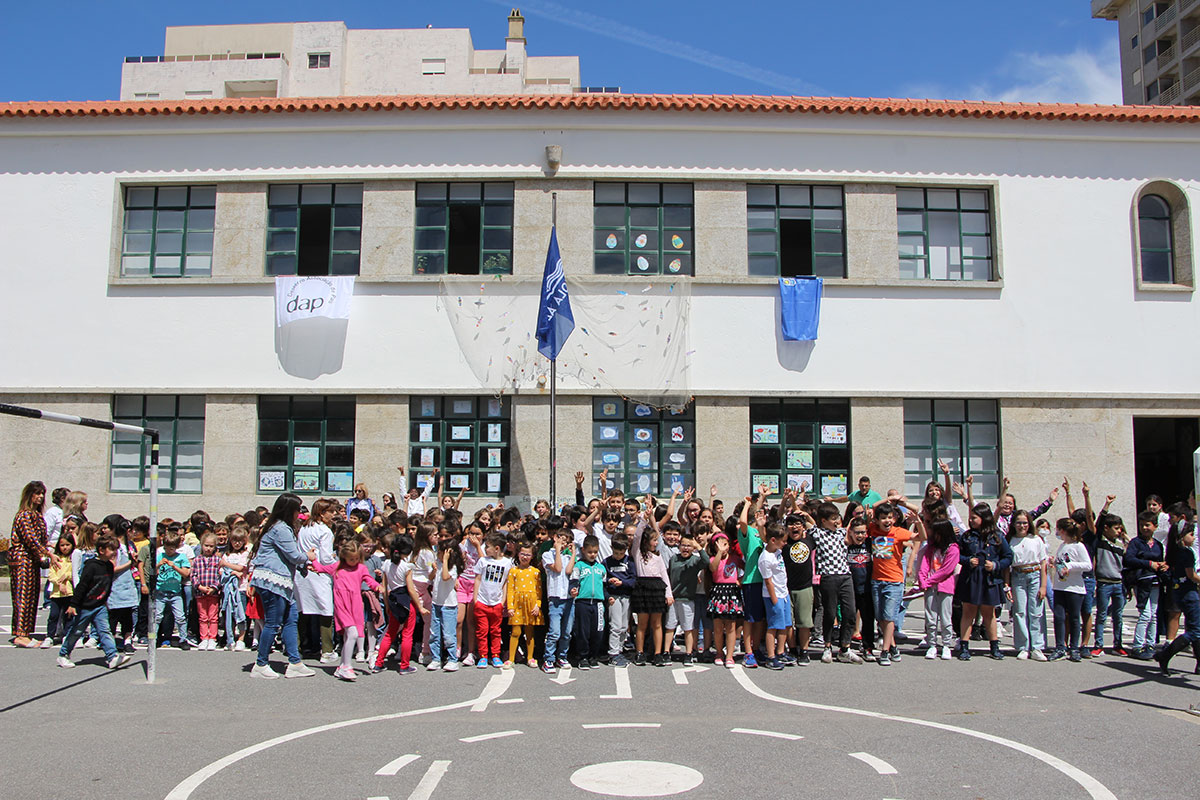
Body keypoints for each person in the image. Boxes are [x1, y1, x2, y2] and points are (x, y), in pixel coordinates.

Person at [249, 493, 318, 680]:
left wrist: (305, 563)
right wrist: (308, 557)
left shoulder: (279, 527)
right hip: (272, 580)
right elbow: (294, 555)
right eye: (297, 509)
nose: (300, 513)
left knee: (291, 618)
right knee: (273, 622)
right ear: (289, 510)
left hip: (281, 581)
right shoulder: (280, 528)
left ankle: (295, 662)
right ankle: (261, 663)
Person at [55, 534, 134, 670]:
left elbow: (108, 585)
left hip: (99, 606)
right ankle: (63, 654)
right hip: (85, 606)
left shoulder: (109, 566)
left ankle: (112, 656)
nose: (114, 552)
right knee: (77, 631)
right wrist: (73, 604)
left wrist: (106, 601)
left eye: (115, 549)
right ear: (101, 550)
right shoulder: (91, 566)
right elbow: (82, 586)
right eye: (111, 549)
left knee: (105, 630)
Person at [311, 539, 384, 682]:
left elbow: (369, 580)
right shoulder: (337, 567)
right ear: (344, 556)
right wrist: (313, 560)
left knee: (349, 636)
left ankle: (342, 666)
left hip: (355, 604)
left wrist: (378, 586)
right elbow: (321, 568)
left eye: (357, 558)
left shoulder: (361, 568)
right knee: (352, 633)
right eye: (351, 559)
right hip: (342, 604)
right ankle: (347, 666)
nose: (354, 561)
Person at [868, 502, 925, 666]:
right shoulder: (873, 529)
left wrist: (918, 522)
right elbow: (868, 517)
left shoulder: (899, 532)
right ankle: (892, 647)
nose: (887, 521)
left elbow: (922, 537)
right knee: (880, 618)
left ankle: (885, 652)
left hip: (894, 582)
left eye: (890, 518)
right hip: (876, 580)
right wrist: (886, 501)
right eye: (883, 518)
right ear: (877, 520)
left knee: (889, 616)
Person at [955, 503, 1013, 661]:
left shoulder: (997, 536)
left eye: (974, 517)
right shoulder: (967, 536)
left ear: (984, 518)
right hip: (971, 578)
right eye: (971, 517)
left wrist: (996, 565)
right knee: (968, 612)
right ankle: (964, 646)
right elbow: (956, 555)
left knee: (989, 613)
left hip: (990, 579)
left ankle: (994, 647)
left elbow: (1008, 556)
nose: (971, 520)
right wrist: (967, 561)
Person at [806, 503, 861, 664]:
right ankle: (827, 646)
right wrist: (795, 504)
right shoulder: (818, 533)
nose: (837, 521)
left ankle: (845, 648)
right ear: (823, 521)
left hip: (845, 576)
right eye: (833, 519)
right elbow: (809, 521)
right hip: (828, 577)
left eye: (838, 517)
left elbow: (854, 537)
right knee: (829, 613)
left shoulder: (842, 532)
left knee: (850, 612)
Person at [8, 481, 58, 647]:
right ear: (29, 495)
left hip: (33, 561)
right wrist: (47, 552)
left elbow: (41, 539)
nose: (40, 497)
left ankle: (25, 632)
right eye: (37, 493)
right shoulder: (24, 515)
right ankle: (21, 634)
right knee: (23, 595)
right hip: (22, 560)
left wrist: (50, 547)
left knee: (32, 596)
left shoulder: (36, 515)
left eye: (42, 493)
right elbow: (30, 539)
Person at [374, 534, 425, 676]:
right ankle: (404, 665)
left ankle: (378, 663)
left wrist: (387, 604)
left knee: (390, 633)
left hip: (393, 600)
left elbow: (384, 587)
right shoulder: (406, 567)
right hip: (405, 602)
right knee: (407, 634)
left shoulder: (386, 564)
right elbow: (410, 589)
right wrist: (419, 607)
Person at [295, 499, 337, 663]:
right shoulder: (325, 531)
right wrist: (336, 562)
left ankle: (297, 647)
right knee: (325, 610)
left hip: (303, 572)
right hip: (319, 573)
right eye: (331, 512)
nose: (333, 515)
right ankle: (326, 650)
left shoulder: (304, 528)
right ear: (321, 513)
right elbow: (326, 557)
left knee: (303, 610)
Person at [1155, 522, 1200, 675]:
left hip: (1180, 592)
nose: (1194, 538)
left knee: (1194, 627)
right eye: (1191, 534)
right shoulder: (1186, 552)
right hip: (1189, 593)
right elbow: (1191, 575)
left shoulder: (1175, 551)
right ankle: (1165, 655)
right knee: (1195, 631)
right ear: (1182, 536)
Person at [631, 509, 673, 667]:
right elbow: (636, 537)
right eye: (654, 540)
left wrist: (668, 594)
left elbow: (664, 575)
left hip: (657, 588)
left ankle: (657, 653)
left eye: (657, 540)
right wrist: (644, 520)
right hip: (643, 586)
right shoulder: (638, 553)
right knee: (642, 623)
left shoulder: (658, 556)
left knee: (657, 623)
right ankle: (640, 652)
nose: (656, 543)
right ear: (647, 541)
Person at [1124, 510, 1167, 660]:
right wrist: (1149, 563)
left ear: (1155, 526)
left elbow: (1161, 559)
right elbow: (1129, 560)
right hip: (1141, 581)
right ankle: (1137, 646)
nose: (1144, 528)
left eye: (1147, 525)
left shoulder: (1158, 545)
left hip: (1155, 582)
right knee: (1145, 614)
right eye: (1142, 525)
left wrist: (1162, 566)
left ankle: (1151, 644)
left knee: (1154, 614)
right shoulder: (1136, 543)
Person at [1006, 510, 1048, 661]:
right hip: (1018, 576)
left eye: (1024, 522)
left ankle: (1037, 647)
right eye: (1019, 523)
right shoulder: (1010, 540)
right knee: (1019, 611)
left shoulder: (1036, 539)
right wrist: (1007, 585)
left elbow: (1043, 563)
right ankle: (1023, 646)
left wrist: (1043, 586)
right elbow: (1007, 565)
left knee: (1036, 612)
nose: (1022, 525)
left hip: (1035, 575)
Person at [1049, 518, 1092, 662]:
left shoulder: (1078, 546)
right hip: (1060, 586)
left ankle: (1074, 648)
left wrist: (1071, 566)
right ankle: (1060, 647)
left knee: (1074, 617)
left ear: (1062, 530)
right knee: (1059, 617)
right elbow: (1061, 562)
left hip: (1074, 588)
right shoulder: (1062, 546)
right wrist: (1054, 561)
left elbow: (1088, 565)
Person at [917, 518, 960, 661]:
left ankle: (946, 645)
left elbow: (947, 570)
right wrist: (922, 580)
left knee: (946, 617)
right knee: (930, 616)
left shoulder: (953, 548)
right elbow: (924, 564)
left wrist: (929, 580)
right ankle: (932, 644)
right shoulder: (931, 547)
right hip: (930, 587)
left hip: (945, 586)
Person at [472, 533, 513, 669]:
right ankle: (483, 655)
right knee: (482, 630)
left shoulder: (507, 563)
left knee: (496, 631)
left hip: (496, 603)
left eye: (487, 547)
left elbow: (506, 582)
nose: (485, 549)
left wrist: (502, 601)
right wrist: (476, 599)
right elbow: (477, 579)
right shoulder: (483, 561)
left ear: (497, 548)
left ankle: (496, 655)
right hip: (482, 601)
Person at [1091, 511, 1128, 657]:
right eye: (1116, 528)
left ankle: (1118, 644)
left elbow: (1130, 557)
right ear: (1107, 528)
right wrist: (1107, 506)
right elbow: (1099, 524)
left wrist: (1125, 537)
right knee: (1102, 614)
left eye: (1120, 528)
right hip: (1104, 583)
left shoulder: (1120, 545)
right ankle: (1098, 644)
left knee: (1118, 615)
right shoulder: (1101, 541)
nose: (1119, 531)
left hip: (1119, 583)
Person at [781, 513, 815, 665]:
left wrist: (806, 516)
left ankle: (804, 651)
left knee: (804, 622)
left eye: (798, 524)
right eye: (791, 524)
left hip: (805, 587)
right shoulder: (783, 543)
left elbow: (815, 528)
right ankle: (792, 648)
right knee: (788, 622)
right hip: (786, 588)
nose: (794, 527)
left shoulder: (809, 540)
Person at [707, 531, 743, 668]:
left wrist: (740, 580)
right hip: (718, 591)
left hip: (732, 591)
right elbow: (713, 568)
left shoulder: (734, 558)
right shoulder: (713, 558)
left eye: (725, 544)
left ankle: (729, 655)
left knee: (731, 626)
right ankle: (719, 653)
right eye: (719, 545)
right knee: (717, 626)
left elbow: (747, 568)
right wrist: (718, 553)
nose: (723, 547)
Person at [571, 534, 608, 669]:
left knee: (598, 631)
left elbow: (604, 586)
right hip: (583, 603)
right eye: (590, 552)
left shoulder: (601, 568)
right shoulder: (579, 566)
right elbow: (574, 582)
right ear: (583, 550)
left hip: (598, 603)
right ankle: (583, 656)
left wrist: (607, 597)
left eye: (595, 552)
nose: (593, 555)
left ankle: (593, 656)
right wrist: (573, 590)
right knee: (583, 631)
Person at [758, 524, 792, 670]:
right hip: (774, 596)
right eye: (783, 541)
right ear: (773, 540)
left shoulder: (777, 551)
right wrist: (774, 600)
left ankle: (781, 652)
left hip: (784, 593)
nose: (785, 544)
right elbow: (768, 581)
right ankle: (771, 656)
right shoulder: (766, 558)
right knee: (773, 627)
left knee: (784, 625)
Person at [666, 532, 704, 664]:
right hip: (673, 599)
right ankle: (666, 652)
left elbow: (706, 562)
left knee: (688, 627)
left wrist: (698, 547)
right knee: (670, 626)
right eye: (683, 545)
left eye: (689, 546)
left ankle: (688, 653)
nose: (685, 548)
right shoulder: (674, 559)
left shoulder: (695, 560)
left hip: (687, 600)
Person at [542, 528, 576, 673]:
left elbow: (568, 571)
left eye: (566, 542)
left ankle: (562, 656)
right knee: (554, 632)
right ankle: (548, 659)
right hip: (555, 598)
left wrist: (573, 553)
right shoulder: (547, 555)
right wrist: (556, 549)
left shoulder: (569, 557)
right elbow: (557, 568)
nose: (563, 544)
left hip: (568, 598)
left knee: (566, 631)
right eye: (561, 539)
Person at [153, 528, 193, 650]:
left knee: (180, 617)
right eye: (166, 548)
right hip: (161, 592)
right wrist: (159, 565)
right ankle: (154, 638)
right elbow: (152, 572)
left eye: (171, 549)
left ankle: (183, 639)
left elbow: (186, 573)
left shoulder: (181, 557)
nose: (168, 551)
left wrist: (174, 566)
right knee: (158, 616)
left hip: (175, 592)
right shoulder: (160, 555)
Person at [505, 540, 543, 668]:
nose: (525, 557)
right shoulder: (513, 571)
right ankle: (511, 658)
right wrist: (510, 606)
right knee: (515, 632)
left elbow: (539, 591)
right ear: (518, 554)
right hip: (517, 605)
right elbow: (510, 590)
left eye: (528, 554)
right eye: (522, 554)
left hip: (531, 605)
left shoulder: (535, 572)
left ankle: (530, 657)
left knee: (529, 633)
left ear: (532, 556)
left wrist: (538, 605)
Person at [429, 538, 463, 672]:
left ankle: (452, 659)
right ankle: (436, 658)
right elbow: (431, 577)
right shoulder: (437, 564)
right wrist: (433, 569)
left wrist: (445, 561)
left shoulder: (452, 568)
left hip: (449, 605)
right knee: (434, 633)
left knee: (448, 634)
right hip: (436, 602)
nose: (438, 553)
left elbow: (445, 577)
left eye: (441, 551)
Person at [604, 532, 636, 667]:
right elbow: (603, 582)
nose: (618, 556)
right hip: (614, 597)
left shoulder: (629, 562)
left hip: (626, 596)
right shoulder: (606, 562)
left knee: (623, 626)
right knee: (615, 625)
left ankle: (620, 649)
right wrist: (608, 594)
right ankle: (613, 653)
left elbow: (634, 580)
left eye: (621, 553)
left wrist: (622, 583)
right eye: (616, 553)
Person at [411, 522, 438, 665]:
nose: (438, 537)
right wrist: (435, 570)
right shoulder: (427, 553)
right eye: (435, 535)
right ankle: (425, 651)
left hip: (417, 587)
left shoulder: (416, 550)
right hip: (420, 588)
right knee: (429, 620)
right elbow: (431, 574)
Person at [220, 527, 251, 650]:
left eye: (240, 541)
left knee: (241, 614)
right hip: (228, 588)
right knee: (229, 614)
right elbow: (222, 571)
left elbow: (241, 568)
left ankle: (241, 639)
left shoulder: (245, 554)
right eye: (234, 540)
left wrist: (227, 566)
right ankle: (230, 638)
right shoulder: (227, 554)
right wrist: (232, 571)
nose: (237, 543)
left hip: (241, 588)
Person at [191, 533, 223, 650]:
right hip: (200, 593)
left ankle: (212, 638)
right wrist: (200, 587)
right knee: (203, 616)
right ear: (201, 545)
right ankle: (204, 638)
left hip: (213, 593)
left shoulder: (218, 560)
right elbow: (193, 575)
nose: (208, 548)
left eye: (211, 546)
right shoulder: (197, 560)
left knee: (213, 617)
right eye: (206, 545)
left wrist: (214, 587)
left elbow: (221, 576)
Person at [46, 532, 76, 646]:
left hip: (69, 592)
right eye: (62, 545)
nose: (65, 547)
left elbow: (73, 572)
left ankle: (66, 635)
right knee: (54, 615)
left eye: (67, 545)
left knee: (68, 615)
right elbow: (51, 574)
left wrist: (66, 577)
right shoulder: (56, 559)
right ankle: (50, 636)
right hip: (56, 593)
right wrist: (59, 583)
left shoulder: (73, 558)